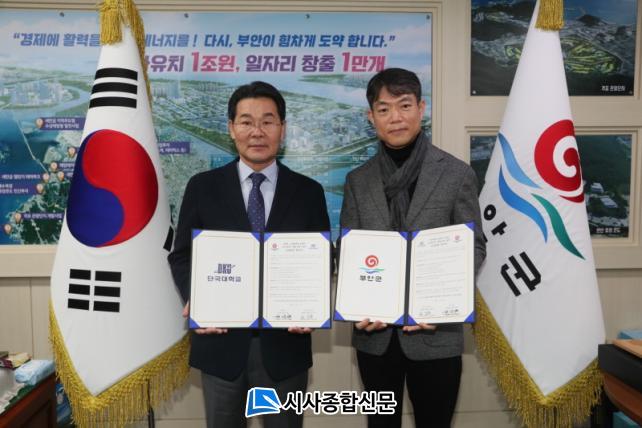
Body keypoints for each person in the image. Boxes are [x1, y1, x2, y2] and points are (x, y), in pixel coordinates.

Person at [168, 81, 330, 428]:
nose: (257, 132)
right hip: (221, 345)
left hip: (285, 347)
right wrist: (198, 298)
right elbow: (181, 256)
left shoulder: (309, 192)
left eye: (268, 121)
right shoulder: (202, 187)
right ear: (231, 128)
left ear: (282, 129)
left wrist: (312, 305)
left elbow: (320, 259)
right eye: (246, 121)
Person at [340, 68, 486, 427]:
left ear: (421, 108)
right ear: (371, 116)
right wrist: (359, 302)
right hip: (376, 338)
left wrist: (441, 302)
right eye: (384, 109)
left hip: (436, 334)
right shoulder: (357, 180)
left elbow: (474, 246)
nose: (396, 117)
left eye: (404, 105)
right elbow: (350, 250)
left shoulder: (456, 174)